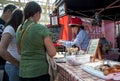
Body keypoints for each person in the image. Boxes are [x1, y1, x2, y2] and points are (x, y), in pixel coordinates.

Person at [16, 1, 56, 81]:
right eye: (40, 14)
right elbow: (52, 52)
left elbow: (19, 51)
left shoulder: (19, 29)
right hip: (39, 72)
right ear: (36, 13)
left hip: (23, 72)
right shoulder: (40, 28)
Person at [0, 9, 23, 81]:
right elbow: (1, 50)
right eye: (24, 17)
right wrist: (16, 63)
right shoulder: (10, 29)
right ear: (19, 18)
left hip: (15, 66)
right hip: (13, 66)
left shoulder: (15, 29)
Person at [0, 4, 17, 81]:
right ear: (9, 11)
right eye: (14, 14)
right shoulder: (8, 27)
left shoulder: (8, 25)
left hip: (6, 61)